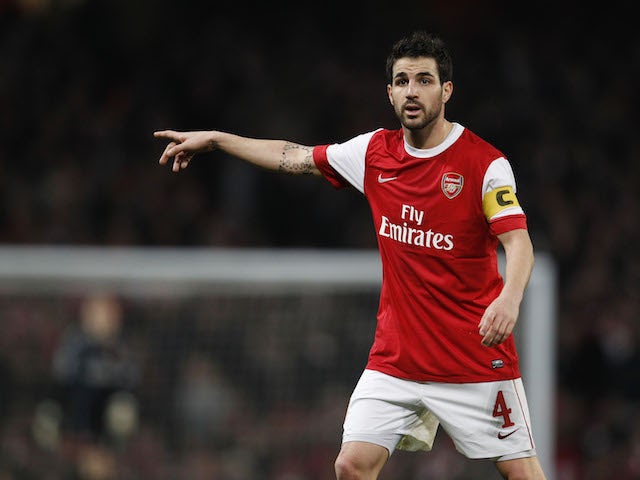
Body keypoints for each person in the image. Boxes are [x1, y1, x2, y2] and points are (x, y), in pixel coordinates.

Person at [153, 30, 547, 480]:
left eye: (424, 80)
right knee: (351, 466)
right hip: (396, 360)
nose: (412, 91)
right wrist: (219, 139)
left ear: (446, 90)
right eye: (402, 81)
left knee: (521, 473)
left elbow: (519, 243)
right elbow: (295, 156)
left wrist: (510, 298)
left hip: (473, 357)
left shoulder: (484, 164)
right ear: (390, 92)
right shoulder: (374, 153)